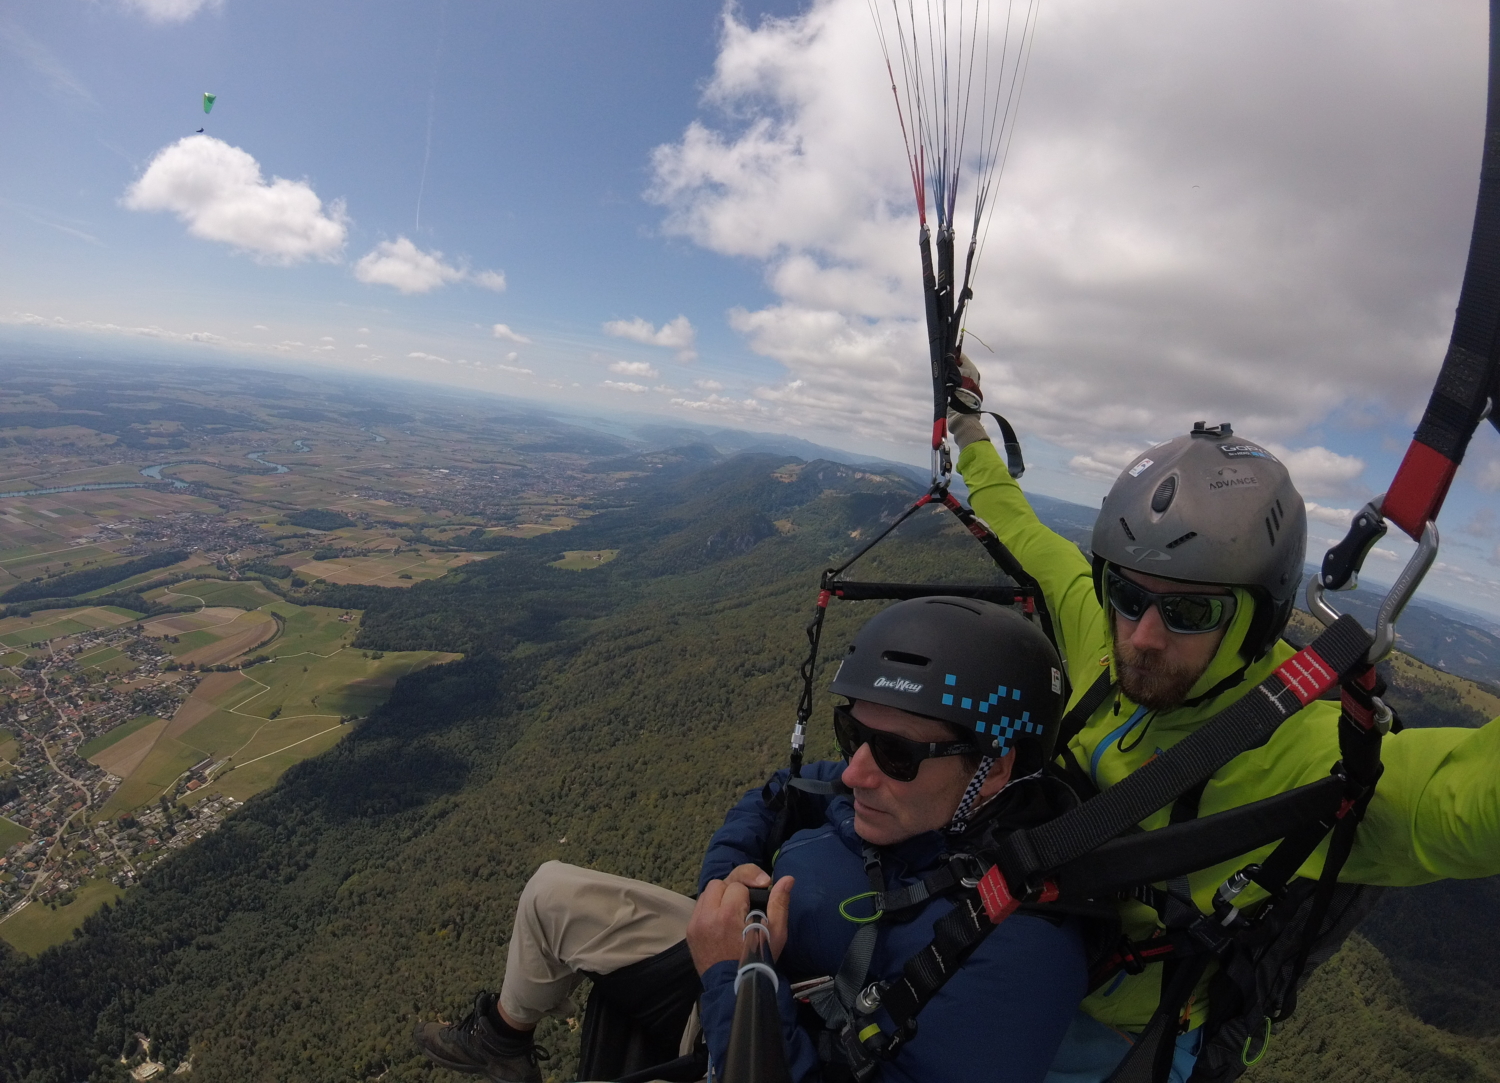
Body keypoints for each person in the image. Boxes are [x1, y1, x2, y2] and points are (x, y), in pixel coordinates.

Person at [937, 368, 1500, 1082]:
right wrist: (967, 425)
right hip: (1016, 954)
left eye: (1191, 611)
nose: (1142, 635)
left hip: (1118, 1039)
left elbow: (1460, 800)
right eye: (1129, 594)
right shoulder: (1102, 639)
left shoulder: (1301, 757)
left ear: (1258, 619)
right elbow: (1018, 525)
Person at [414, 597, 1086, 1083]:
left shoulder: (1024, 950)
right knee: (551, 892)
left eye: (894, 752)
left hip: (759, 1028)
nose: (855, 770)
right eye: (853, 734)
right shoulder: (876, 796)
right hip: (737, 971)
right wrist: (727, 875)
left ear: (994, 766)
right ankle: (504, 1037)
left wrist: (733, 980)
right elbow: (776, 795)